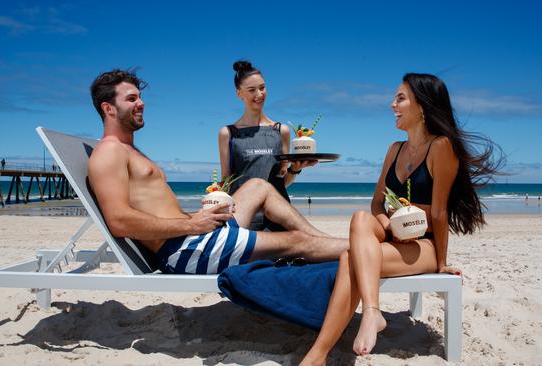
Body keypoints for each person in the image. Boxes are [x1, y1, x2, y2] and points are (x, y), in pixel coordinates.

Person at [300, 73, 502, 365]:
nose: (392, 104)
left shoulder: (441, 146)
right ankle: (371, 312)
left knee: (349, 259)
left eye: (400, 98)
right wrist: (388, 225)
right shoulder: (394, 149)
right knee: (359, 217)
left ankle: (317, 355)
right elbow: (376, 203)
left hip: (424, 246)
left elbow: (439, 211)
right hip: (393, 236)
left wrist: (442, 262)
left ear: (421, 106)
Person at [87, 69, 348, 275]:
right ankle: (366, 249)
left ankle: (324, 240)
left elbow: (156, 209)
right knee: (296, 241)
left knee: (258, 186)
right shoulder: (109, 152)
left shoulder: (129, 150)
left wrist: (196, 217)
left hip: (191, 236)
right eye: (131, 99)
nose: (141, 103)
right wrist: (190, 224)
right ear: (108, 108)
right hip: (184, 251)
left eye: (140, 97)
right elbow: (119, 221)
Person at [218, 60, 316, 231]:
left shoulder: (281, 131)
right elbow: (226, 182)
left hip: (280, 217)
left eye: (262, 88)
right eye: (251, 90)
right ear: (239, 93)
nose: (259, 94)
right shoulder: (228, 133)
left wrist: (295, 169)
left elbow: (281, 182)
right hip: (245, 219)